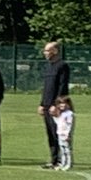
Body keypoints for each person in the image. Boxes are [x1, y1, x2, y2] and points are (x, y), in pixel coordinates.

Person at [39, 41, 70, 169]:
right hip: (47, 105)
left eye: (47, 50)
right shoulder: (49, 66)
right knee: (50, 134)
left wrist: (56, 104)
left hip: (56, 106)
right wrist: (42, 104)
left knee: (59, 134)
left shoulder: (62, 66)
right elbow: (47, 88)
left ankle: (63, 160)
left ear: (55, 51)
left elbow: (62, 87)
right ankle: (54, 160)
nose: (45, 53)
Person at [53, 95, 75, 171]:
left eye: (64, 103)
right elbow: (58, 123)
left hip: (65, 134)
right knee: (62, 150)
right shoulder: (60, 113)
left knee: (67, 150)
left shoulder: (69, 114)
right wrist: (54, 116)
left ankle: (68, 164)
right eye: (60, 103)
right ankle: (63, 163)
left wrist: (67, 134)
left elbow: (69, 125)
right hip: (60, 133)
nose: (62, 105)